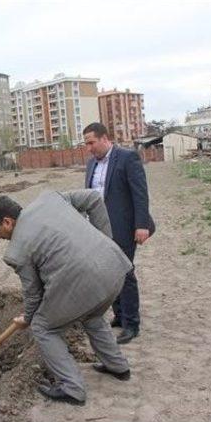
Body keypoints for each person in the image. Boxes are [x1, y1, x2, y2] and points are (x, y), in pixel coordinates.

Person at [0, 191, 132, 405]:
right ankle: (118, 366)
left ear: (7, 221)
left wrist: (28, 318)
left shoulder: (16, 252)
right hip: (114, 268)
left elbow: (33, 293)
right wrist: (105, 241)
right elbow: (94, 199)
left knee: (43, 327)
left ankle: (72, 388)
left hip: (86, 282)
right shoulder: (49, 199)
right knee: (92, 314)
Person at [83, 122, 155, 344]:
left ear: (105, 139)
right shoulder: (91, 165)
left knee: (124, 272)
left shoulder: (127, 158)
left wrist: (141, 224)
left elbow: (140, 194)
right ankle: (120, 315)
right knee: (108, 273)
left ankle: (132, 324)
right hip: (99, 228)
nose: (88, 148)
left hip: (124, 227)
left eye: (91, 143)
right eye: (86, 144)